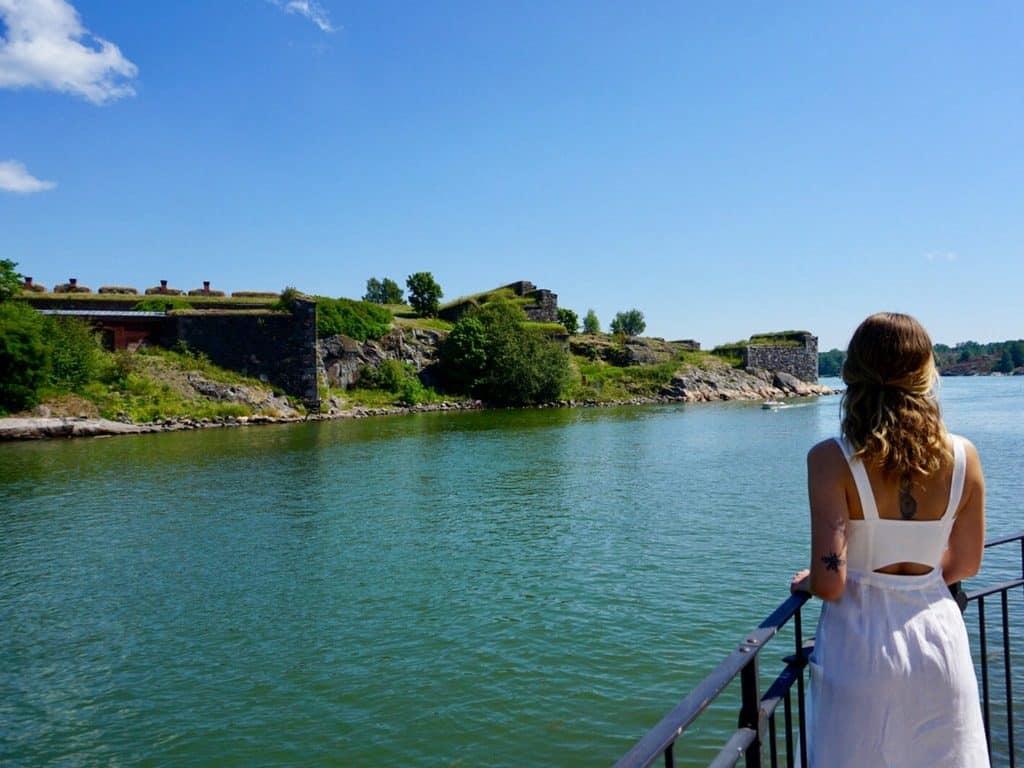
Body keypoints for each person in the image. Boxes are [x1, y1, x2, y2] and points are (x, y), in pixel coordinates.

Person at [790, 312, 989, 767]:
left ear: (853, 371)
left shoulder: (829, 459)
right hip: (939, 643)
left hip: (860, 649)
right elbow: (965, 565)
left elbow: (831, 582)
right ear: (925, 372)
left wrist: (810, 583)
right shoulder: (964, 457)